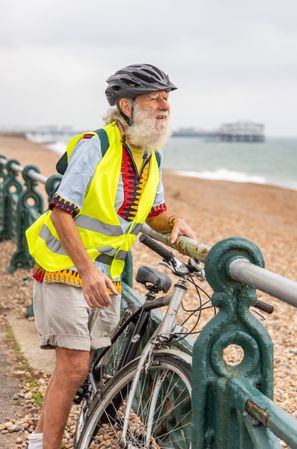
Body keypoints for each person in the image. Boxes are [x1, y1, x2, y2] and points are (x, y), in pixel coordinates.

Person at [25, 63, 196, 449]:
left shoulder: (151, 156)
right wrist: (86, 271)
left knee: (85, 368)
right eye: (154, 98)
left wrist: (175, 224)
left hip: (109, 274)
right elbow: (60, 209)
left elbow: (155, 212)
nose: (164, 105)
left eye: (167, 98)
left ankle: (50, 438)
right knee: (73, 368)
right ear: (126, 105)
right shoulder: (96, 145)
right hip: (65, 268)